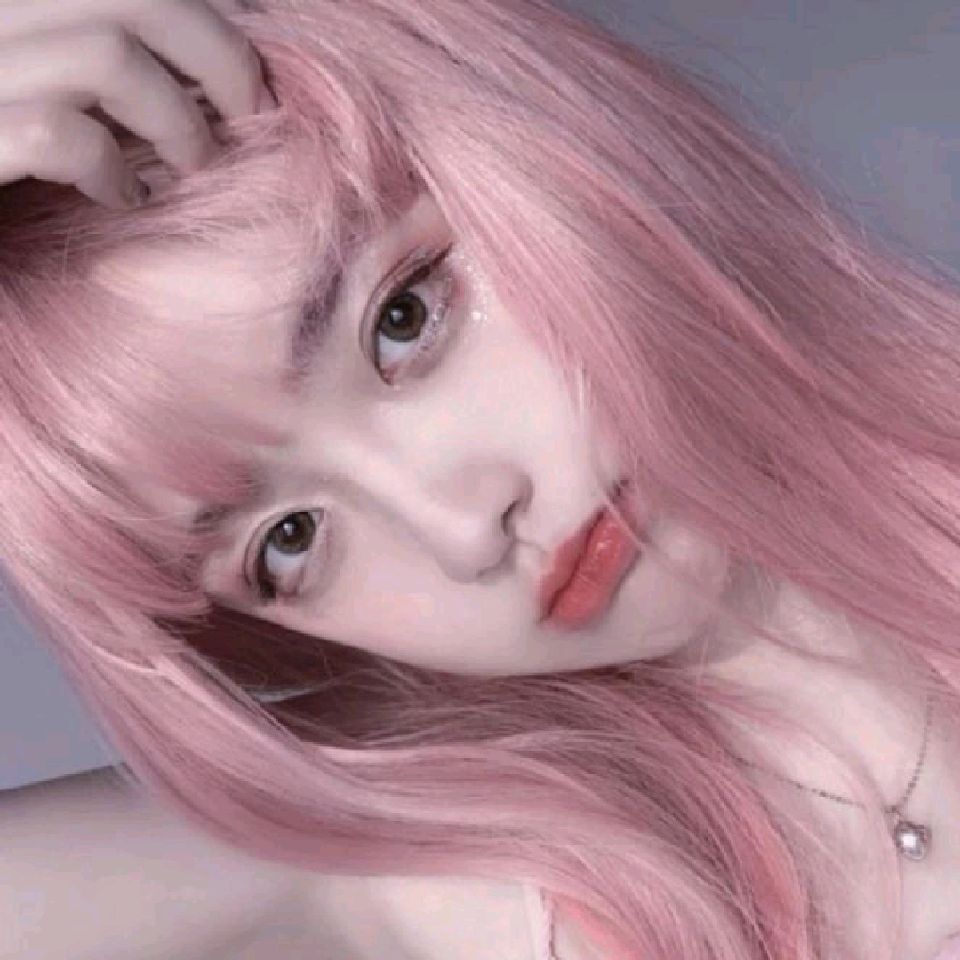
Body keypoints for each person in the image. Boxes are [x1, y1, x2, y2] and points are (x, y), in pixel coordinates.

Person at [2, 0, 960, 957]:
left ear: (530, 136)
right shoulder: (436, 892)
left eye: (404, 320)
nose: (463, 529)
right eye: (289, 540)